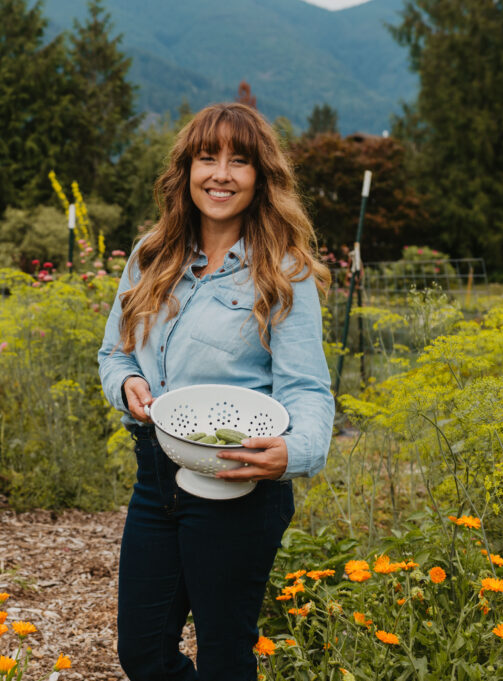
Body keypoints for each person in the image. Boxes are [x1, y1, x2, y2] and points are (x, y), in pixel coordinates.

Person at [97, 102, 334, 680]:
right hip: (156, 477)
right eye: (208, 158)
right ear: (187, 169)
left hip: (237, 482)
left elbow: (306, 388)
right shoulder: (151, 254)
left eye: (239, 161)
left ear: (261, 177)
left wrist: (295, 454)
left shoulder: (283, 272)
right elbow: (115, 353)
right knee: (143, 652)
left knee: (226, 657)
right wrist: (127, 382)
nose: (221, 174)